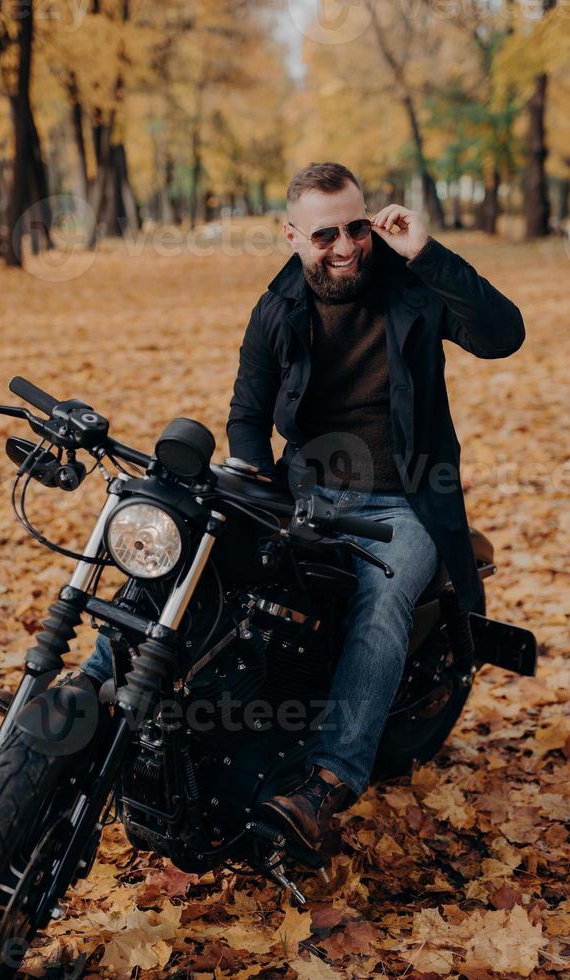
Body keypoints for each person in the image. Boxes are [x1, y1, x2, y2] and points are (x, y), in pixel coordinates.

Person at [225, 161, 525, 850]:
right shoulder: (276, 307)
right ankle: (92, 691)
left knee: (382, 597)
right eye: (325, 232)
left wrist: (427, 252)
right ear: (292, 234)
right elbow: (247, 414)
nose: (345, 246)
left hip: (405, 498)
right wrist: (246, 471)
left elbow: (504, 334)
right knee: (194, 539)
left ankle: (327, 780)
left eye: (356, 227)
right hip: (302, 491)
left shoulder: (411, 286)